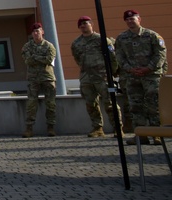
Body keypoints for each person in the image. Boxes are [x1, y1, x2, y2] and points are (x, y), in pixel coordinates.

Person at [114, 9, 167, 144]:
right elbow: (119, 56)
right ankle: (141, 135)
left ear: (139, 19)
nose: (130, 21)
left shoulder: (152, 36)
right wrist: (129, 69)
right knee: (135, 106)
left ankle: (156, 134)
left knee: (153, 104)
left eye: (133, 19)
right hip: (132, 76)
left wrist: (148, 68)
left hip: (151, 76)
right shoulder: (121, 38)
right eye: (127, 19)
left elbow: (160, 54)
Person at [70, 16, 120, 137]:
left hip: (102, 76)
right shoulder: (76, 43)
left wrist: (112, 72)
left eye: (85, 23)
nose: (83, 26)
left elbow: (112, 57)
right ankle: (97, 128)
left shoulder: (101, 39)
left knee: (110, 102)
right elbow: (77, 58)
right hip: (86, 77)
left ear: (91, 24)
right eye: (80, 24)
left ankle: (118, 128)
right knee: (91, 104)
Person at [21, 22, 57, 137]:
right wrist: (40, 58)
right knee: (31, 103)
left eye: (38, 31)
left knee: (50, 103)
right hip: (33, 79)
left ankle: (51, 128)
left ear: (42, 32)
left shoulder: (49, 46)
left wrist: (35, 57)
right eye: (34, 32)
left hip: (47, 77)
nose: (36, 33)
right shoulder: (27, 47)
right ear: (32, 34)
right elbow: (27, 60)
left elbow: (49, 59)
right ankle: (29, 128)